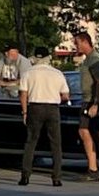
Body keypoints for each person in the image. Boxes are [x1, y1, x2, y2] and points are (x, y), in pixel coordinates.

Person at [17, 45, 67, 187]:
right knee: (55, 143)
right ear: (48, 58)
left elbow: (23, 94)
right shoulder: (57, 73)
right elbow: (65, 95)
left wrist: (24, 112)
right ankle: (56, 177)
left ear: (34, 58)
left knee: (31, 142)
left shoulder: (28, 73)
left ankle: (25, 176)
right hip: (52, 108)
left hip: (35, 107)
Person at [73, 29, 99, 181]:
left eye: (77, 43)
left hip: (95, 101)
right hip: (87, 100)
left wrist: (95, 104)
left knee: (98, 133)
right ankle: (94, 168)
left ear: (85, 42)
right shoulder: (87, 59)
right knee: (85, 131)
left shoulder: (96, 60)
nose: (76, 46)